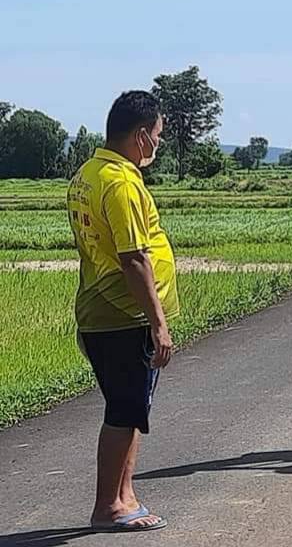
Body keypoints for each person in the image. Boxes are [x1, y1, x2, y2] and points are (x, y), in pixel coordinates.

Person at [67, 91, 177, 532]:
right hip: (123, 315)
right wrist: (159, 324)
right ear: (140, 137)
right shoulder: (122, 183)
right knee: (124, 408)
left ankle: (125, 496)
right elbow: (134, 257)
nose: (158, 144)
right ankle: (109, 506)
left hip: (101, 306)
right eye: (157, 136)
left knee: (132, 409)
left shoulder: (88, 174)